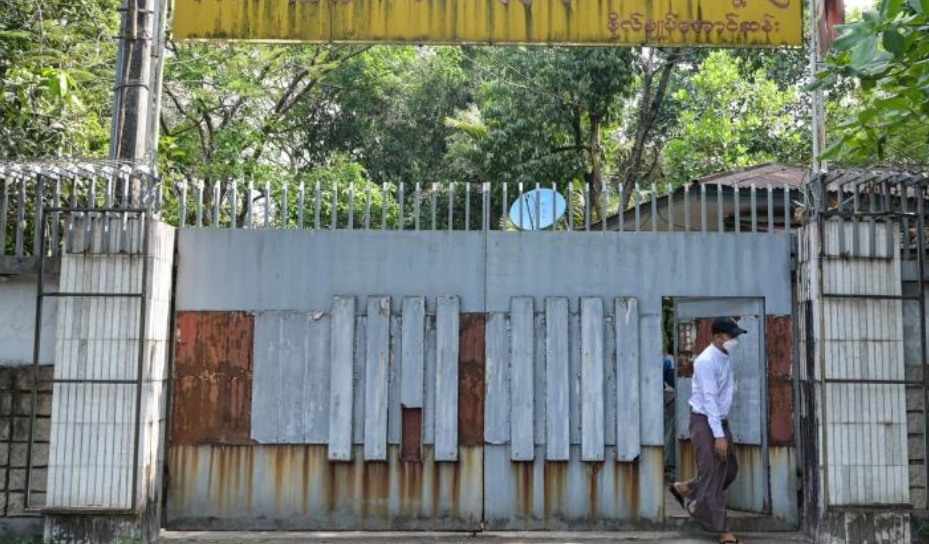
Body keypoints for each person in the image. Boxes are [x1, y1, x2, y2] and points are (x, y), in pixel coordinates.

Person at [669, 316, 747, 544]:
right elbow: (710, 399)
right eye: (731, 336)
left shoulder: (724, 356)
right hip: (705, 421)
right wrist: (719, 436)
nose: (734, 339)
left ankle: (686, 489)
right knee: (713, 476)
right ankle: (723, 532)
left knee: (729, 469)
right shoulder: (706, 361)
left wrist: (722, 429)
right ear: (717, 337)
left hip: (718, 421)